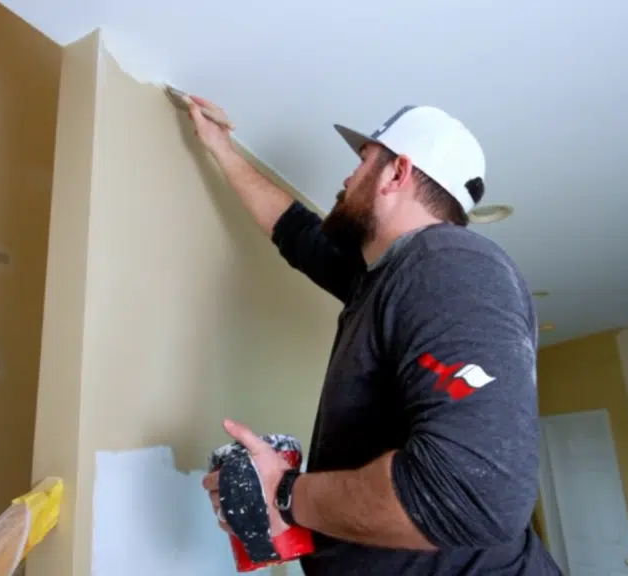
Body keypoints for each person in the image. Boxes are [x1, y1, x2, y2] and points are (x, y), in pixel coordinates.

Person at [188, 94, 562, 575]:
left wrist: (284, 493)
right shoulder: (386, 279)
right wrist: (221, 146)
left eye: (363, 161)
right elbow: (299, 235)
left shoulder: (452, 264)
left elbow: (475, 494)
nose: (347, 180)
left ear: (397, 172)